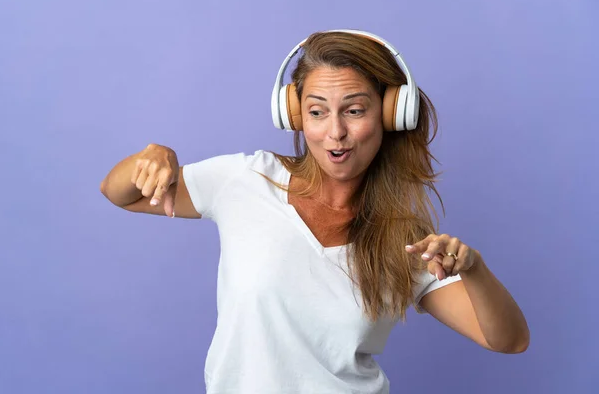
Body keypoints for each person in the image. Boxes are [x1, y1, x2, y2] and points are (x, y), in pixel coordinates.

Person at [100, 30, 529, 394]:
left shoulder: (403, 237)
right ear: (295, 115)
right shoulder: (246, 180)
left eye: (355, 110)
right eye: (317, 112)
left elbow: (509, 340)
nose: (335, 132)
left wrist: (474, 268)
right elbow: (119, 192)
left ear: (391, 113)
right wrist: (154, 155)